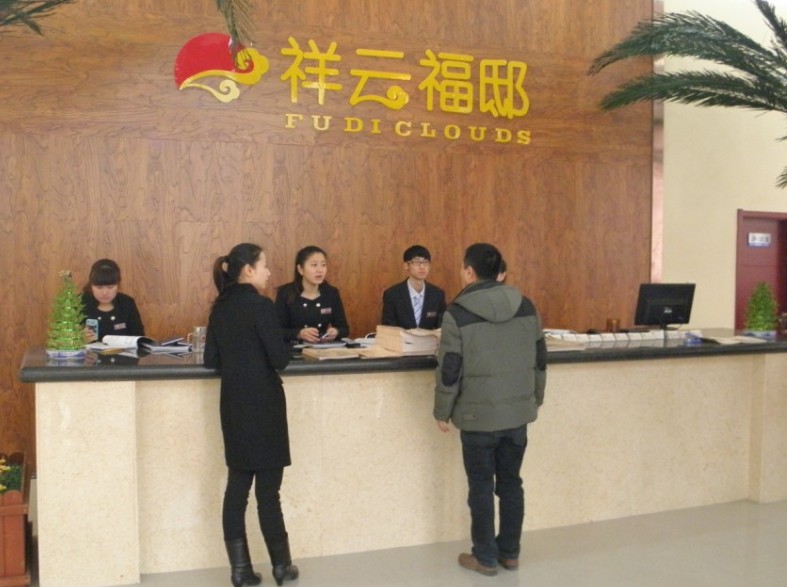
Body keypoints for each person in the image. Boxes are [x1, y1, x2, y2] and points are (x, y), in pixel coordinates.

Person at [433, 243, 547, 576]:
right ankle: (510, 553)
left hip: (477, 418)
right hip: (517, 415)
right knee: (511, 483)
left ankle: (484, 556)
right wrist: (535, 399)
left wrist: (442, 411)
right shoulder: (526, 306)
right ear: (499, 272)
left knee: (481, 486)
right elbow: (540, 359)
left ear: (469, 272)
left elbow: (450, 369)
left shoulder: (457, 313)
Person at [203, 243, 299, 587]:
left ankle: (240, 570)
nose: (268, 272)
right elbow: (279, 359)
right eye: (264, 266)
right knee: (268, 494)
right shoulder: (261, 306)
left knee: (237, 488)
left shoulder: (219, 308)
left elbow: (210, 360)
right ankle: (281, 567)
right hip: (265, 404)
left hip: (234, 403)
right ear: (248, 271)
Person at [275, 245, 350, 343]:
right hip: (294, 349)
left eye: (323, 265)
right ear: (300, 269)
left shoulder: (331, 293)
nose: (320, 270)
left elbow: (344, 329)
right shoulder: (285, 292)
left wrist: (336, 332)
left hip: (322, 348)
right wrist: (299, 334)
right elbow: (276, 331)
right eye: (314, 265)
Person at [381, 244, 447, 329]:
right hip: (400, 338)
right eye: (416, 262)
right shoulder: (392, 295)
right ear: (406, 266)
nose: (422, 267)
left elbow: (443, 327)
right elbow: (388, 327)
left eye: (425, 262)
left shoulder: (437, 295)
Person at [81, 258, 144, 342]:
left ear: (118, 285)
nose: (104, 292)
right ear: (91, 285)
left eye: (110, 287)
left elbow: (139, 338)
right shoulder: (78, 303)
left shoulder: (127, 303)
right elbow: (65, 339)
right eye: (99, 287)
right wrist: (78, 338)